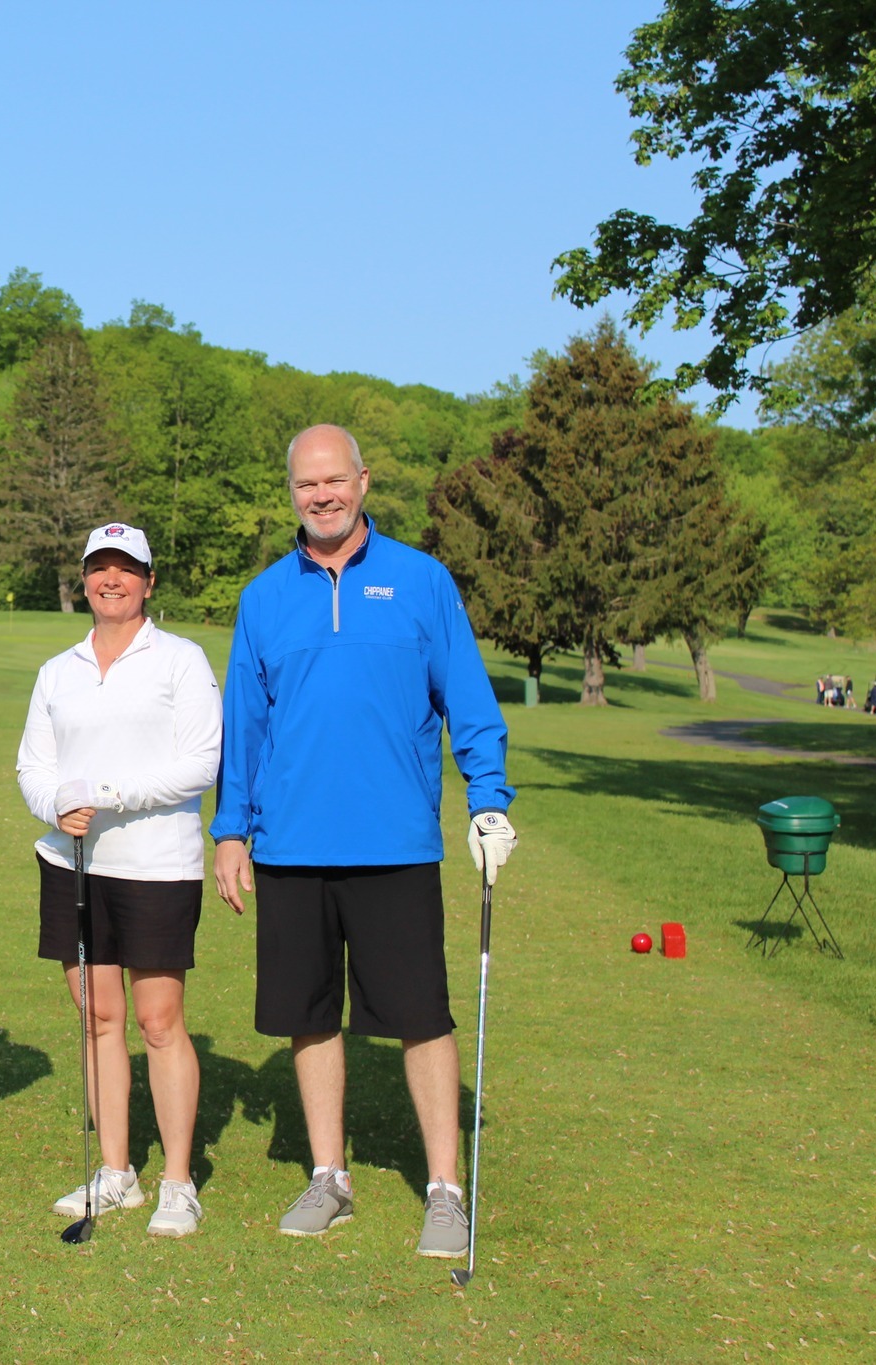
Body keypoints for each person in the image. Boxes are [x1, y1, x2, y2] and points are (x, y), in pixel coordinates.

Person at [210, 423, 517, 1260]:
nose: (322, 495)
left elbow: (468, 700)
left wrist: (488, 800)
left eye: (334, 480)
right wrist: (231, 829)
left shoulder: (422, 581)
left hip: (396, 842)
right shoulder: (264, 597)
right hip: (291, 845)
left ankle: (445, 1188)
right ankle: (328, 1176)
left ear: (363, 481)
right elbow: (246, 726)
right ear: (292, 493)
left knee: (422, 1016)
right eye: (306, 484)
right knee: (309, 1017)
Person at [15, 523, 221, 1237]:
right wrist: (55, 803)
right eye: (100, 568)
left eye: (126, 569)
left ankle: (177, 1182)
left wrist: (106, 793)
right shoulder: (58, 670)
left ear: (148, 582)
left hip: (156, 864)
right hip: (73, 862)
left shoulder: (181, 661)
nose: (112, 580)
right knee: (98, 1018)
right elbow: (33, 766)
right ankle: (116, 1171)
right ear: (84, 580)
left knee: (159, 1022)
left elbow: (201, 763)